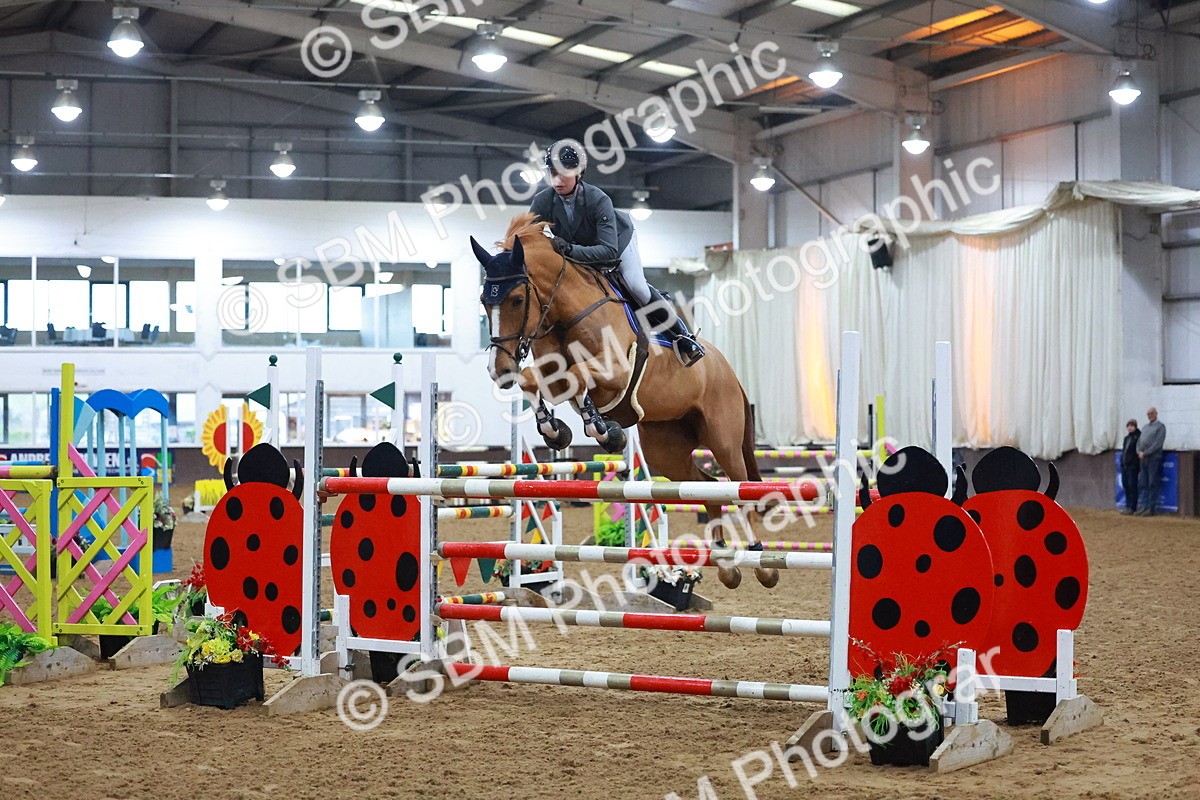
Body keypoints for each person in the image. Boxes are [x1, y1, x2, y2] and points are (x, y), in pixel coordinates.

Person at [528, 139, 705, 367]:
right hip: (578, 253)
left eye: (564, 174)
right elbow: (528, 237)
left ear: (579, 173)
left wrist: (569, 249)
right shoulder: (543, 201)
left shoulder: (598, 199)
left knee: (636, 286)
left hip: (617, 244)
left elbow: (608, 251)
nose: (557, 180)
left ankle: (682, 335)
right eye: (553, 173)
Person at [1135, 407, 1166, 516]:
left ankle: (1150, 508)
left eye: (1152, 413)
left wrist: (1146, 452)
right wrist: (1139, 451)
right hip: (1143, 458)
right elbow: (1139, 442)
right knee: (1143, 482)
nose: (1150, 415)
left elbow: (1157, 444)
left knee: (1152, 482)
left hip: (1153, 458)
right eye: (1148, 414)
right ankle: (1144, 506)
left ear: (1156, 413)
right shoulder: (1145, 427)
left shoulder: (1160, 427)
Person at [1120, 418, 1140, 515]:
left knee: (1132, 486)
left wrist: (1134, 463)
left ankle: (1133, 507)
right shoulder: (1126, 438)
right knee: (1126, 485)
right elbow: (1124, 451)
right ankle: (1128, 506)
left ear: (1135, 427)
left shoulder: (1138, 437)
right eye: (1128, 426)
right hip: (1125, 466)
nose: (1130, 428)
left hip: (1132, 466)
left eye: (1132, 426)